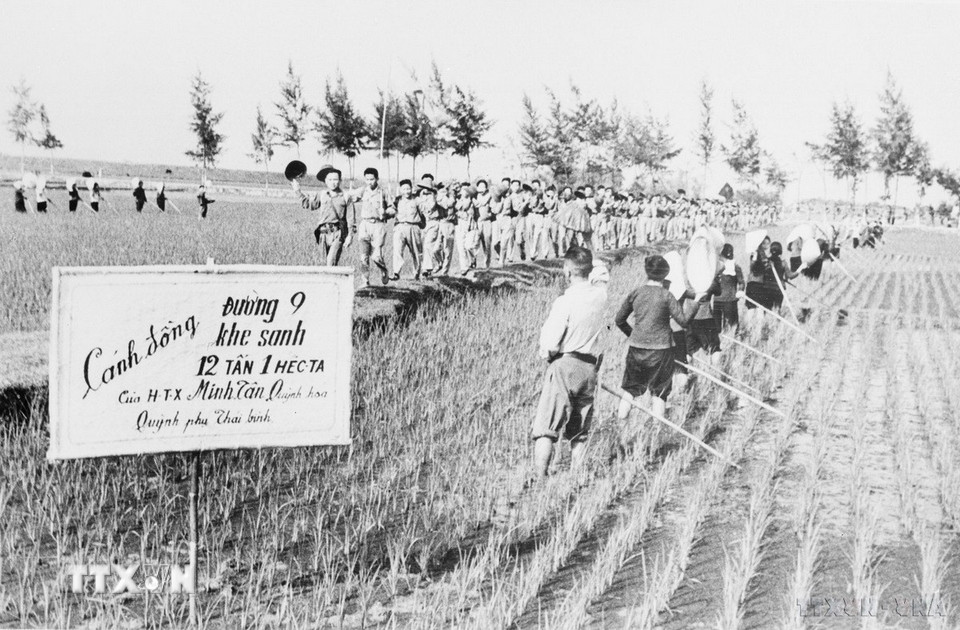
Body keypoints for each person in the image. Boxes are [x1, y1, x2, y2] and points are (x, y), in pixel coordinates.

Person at [531, 246, 608, 478]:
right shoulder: (601, 297)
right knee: (579, 429)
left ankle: (539, 478)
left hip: (565, 365)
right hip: (589, 367)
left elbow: (550, 343)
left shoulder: (565, 301)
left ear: (567, 271)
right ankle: (577, 476)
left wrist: (548, 356)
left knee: (547, 426)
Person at [614, 255, 704, 424]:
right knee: (659, 393)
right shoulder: (666, 295)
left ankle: (620, 428)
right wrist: (696, 303)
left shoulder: (636, 293)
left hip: (637, 349)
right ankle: (656, 435)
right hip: (661, 352)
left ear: (647, 272)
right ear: (665, 275)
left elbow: (619, 320)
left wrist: (633, 335)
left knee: (630, 390)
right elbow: (683, 322)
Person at [292, 165, 350, 265]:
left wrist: (350, 236)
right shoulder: (322, 195)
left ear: (340, 180)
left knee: (331, 262)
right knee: (322, 263)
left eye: (335, 179)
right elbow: (308, 204)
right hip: (323, 234)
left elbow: (351, 218)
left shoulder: (345, 196)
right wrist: (298, 191)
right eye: (330, 179)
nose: (333, 182)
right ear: (326, 181)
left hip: (337, 234)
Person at [346, 167, 391, 286]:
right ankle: (365, 280)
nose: (369, 182)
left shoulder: (383, 192)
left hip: (378, 226)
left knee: (376, 256)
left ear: (377, 179)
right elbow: (350, 197)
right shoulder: (363, 190)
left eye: (372, 179)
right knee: (364, 255)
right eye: (367, 179)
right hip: (364, 225)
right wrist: (348, 196)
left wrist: (385, 212)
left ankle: (384, 270)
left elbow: (393, 209)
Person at [714, 243, 745, 330]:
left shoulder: (734, 266)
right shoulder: (717, 267)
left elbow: (741, 282)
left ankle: (729, 341)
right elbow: (741, 282)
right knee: (719, 325)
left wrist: (740, 290)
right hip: (720, 299)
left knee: (730, 324)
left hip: (729, 299)